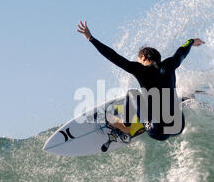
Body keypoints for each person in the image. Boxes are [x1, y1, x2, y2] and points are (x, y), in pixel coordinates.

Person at [77, 20, 205, 141]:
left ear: (143, 57)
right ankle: (182, 100)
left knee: (132, 93)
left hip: (158, 131)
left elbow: (113, 56)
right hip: (178, 126)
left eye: (139, 59)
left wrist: (91, 38)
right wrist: (191, 41)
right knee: (168, 94)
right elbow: (181, 51)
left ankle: (125, 126)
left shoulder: (140, 69)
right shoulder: (170, 64)